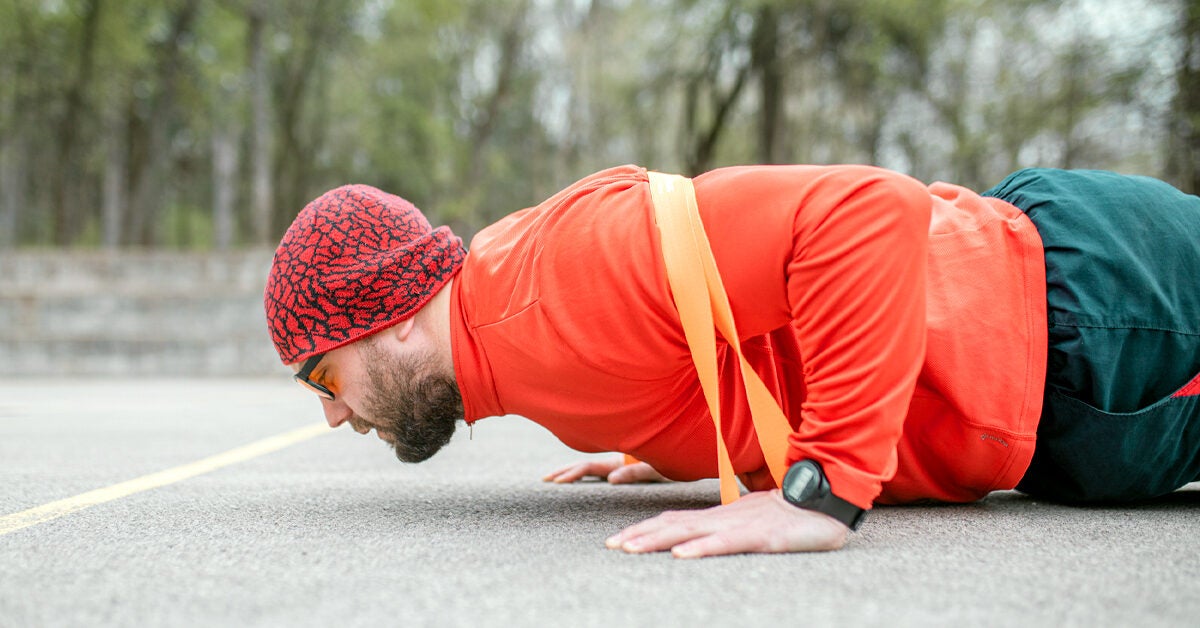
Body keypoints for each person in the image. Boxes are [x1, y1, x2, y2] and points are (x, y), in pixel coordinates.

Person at [263, 164, 1200, 558]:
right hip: (1064, 378)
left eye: (321, 373)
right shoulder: (508, 334)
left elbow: (863, 213)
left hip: (1095, 323)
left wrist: (823, 490)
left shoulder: (554, 287)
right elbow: (691, 323)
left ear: (384, 316)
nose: (336, 415)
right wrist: (678, 441)